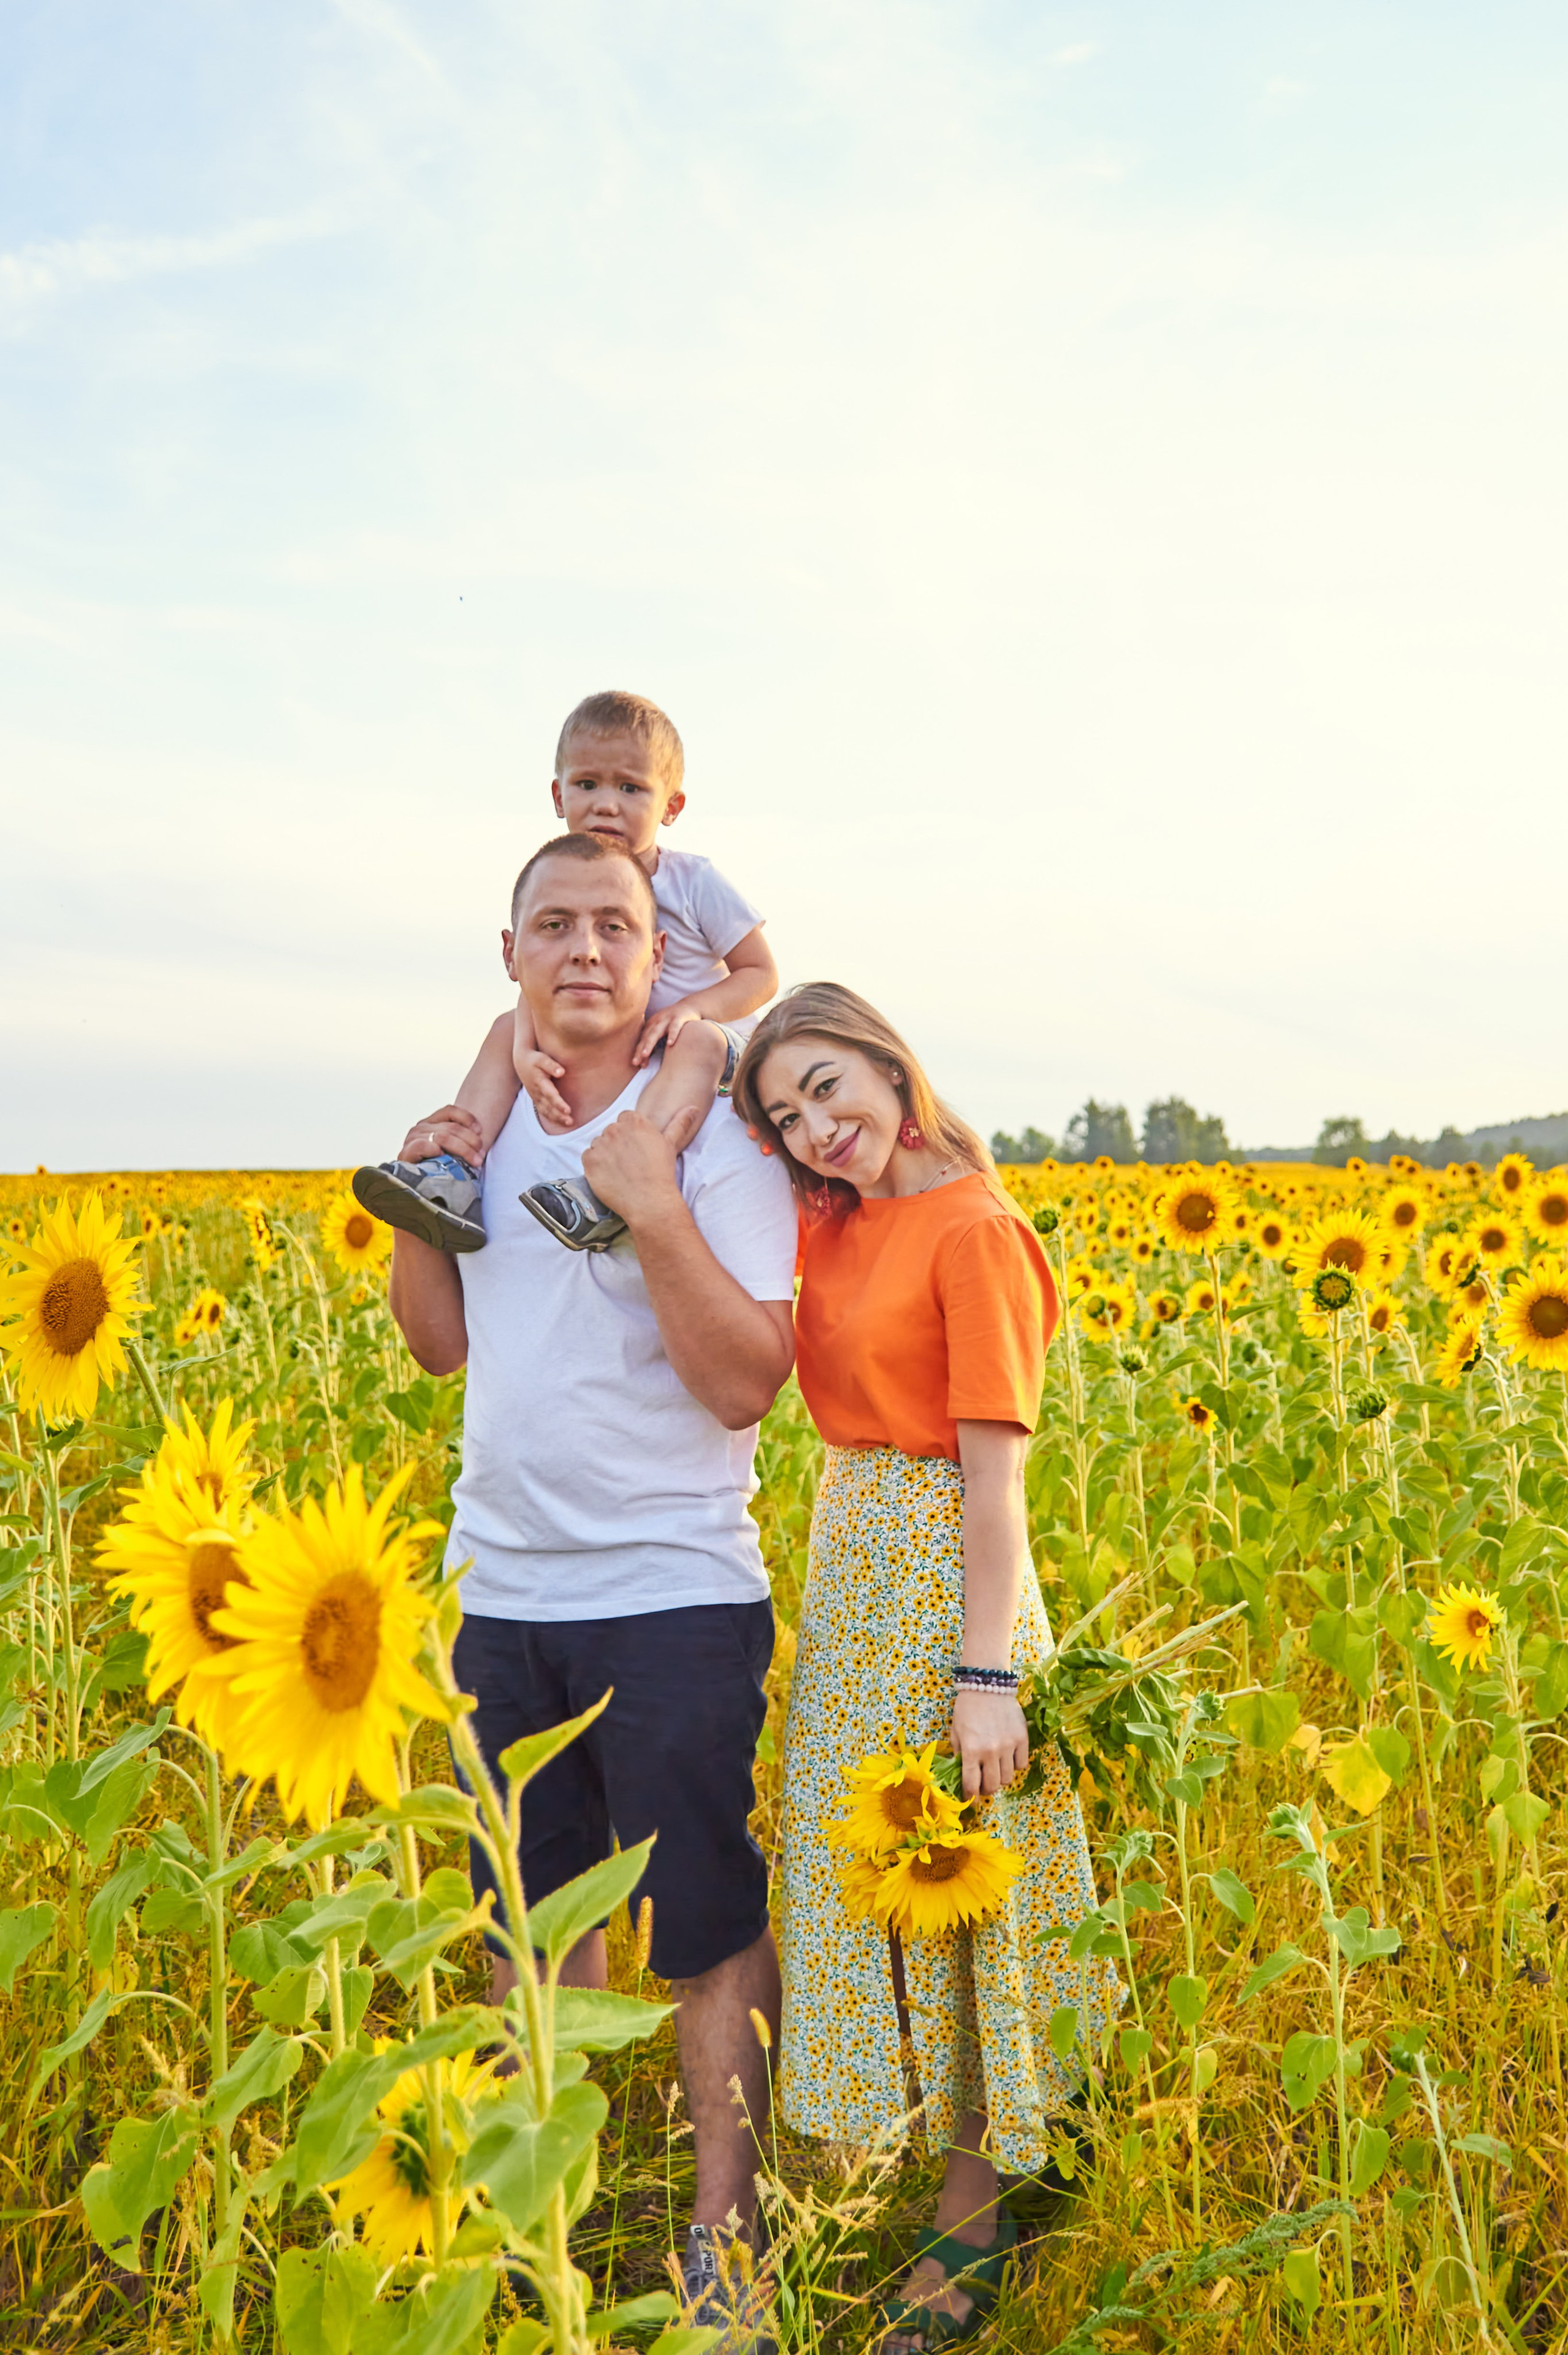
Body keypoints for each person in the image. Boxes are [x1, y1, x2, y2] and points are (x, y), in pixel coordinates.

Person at [388, 829, 797, 2346]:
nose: (579, 949)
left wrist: (651, 1202)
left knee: (692, 1914)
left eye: (609, 927)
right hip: (497, 1587)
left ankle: (721, 2232)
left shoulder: (716, 1137)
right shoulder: (475, 1127)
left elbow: (749, 1380)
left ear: (655, 955)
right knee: (528, 1914)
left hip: (671, 1586)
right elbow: (440, 1342)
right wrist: (421, 1199)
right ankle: (544, 2202)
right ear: (508, 957)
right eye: (548, 924)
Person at [732, 984, 1120, 2355]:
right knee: (859, 1876)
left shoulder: (978, 1231)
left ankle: (970, 2229)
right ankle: (882, 2174)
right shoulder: (830, 1216)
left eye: (829, 1088)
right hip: (851, 1574)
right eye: (785, 1114)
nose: (814, 1128)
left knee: (966, 1897)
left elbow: (995, 1481)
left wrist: (987, 1677)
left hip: (949, 1583)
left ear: (891, 1066)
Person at [355, 688, 777, 1254]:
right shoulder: (560, 877)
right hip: (623, 1036)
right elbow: (535, 988)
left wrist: (690, 1010)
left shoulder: (693, 882)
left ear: (671, 808)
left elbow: (760, 974)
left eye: (631, 788)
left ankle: (610, 1190)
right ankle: (453, 1173)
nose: (607, 804)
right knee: (506, 1028)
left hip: (709, 1054)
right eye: (588, 785)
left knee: (696, 1043)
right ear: (559, 795)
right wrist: (525, 1052)